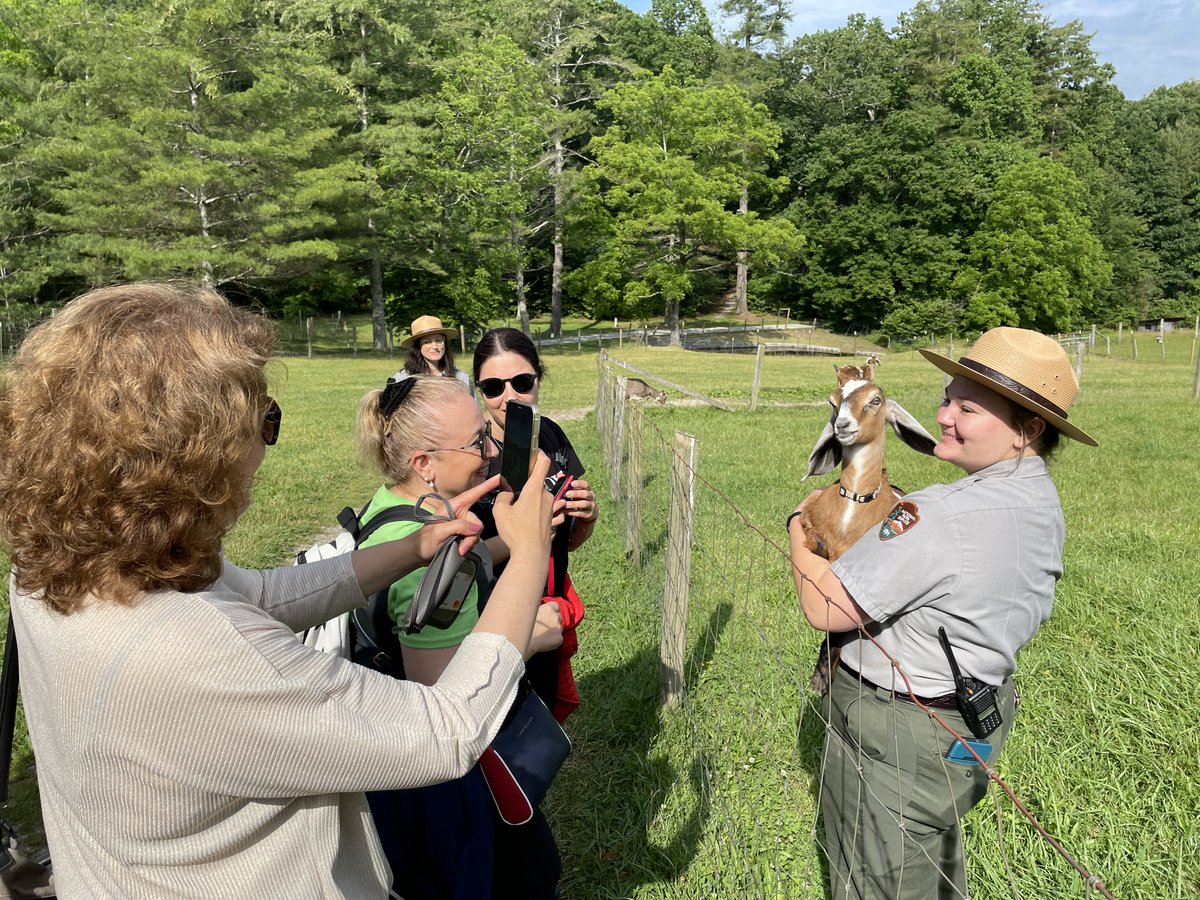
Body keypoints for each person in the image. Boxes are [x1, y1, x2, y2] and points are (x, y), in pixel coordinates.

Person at [0, 282, 553, 899]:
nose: (266, 444)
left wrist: (417, 546)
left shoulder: (58, 567)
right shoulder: (203, 654)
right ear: (196, 452)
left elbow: (260, 596)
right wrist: (530, 553)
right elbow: (445, 730)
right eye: (266, 420)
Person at [787, 327, 1097, 900]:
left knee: (872, 879)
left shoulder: (940, 512)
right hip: (974, 726)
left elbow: (824, 607)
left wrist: (801, 527)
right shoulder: (1040, 501)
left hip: (898, 734)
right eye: (948, 397)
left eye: (969, 407)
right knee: (928, 866)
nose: (945, 415)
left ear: (1028, 430)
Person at [351, 373, 565, 900]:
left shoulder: (396, 511)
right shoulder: (424, 564)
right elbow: (446, 702)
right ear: (424, 463)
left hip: (403, 759)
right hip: (446, 778)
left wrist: (517, 541)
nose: (493, 448)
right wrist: (532, 637)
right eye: (476, 442)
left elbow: (454, 560)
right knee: (527, 876)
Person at [470, 328, 600, 898]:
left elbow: (569, 540)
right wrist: (522, 538)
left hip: (546, 614)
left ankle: (523, 818)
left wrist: (585, 514)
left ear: (537, 382)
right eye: (493, 386)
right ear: (478, 390)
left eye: (521, 382)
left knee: (532, 732)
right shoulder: (469, 453)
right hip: (487, 619)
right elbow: (458, 554)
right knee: (484, 742)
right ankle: (501, 853)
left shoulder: (551, 436)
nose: (508, 397)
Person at [393, 315, 471, 388]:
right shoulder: (403, 380)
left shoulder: (461, 378)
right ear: (418, 346)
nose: (434, 347)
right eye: (427, 342)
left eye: (438, 340)